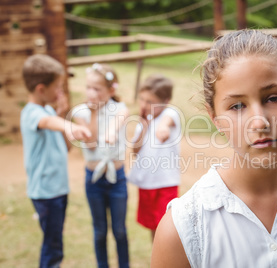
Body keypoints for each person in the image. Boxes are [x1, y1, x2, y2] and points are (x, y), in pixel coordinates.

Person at [151, 30, 277, 267]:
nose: (260, 121)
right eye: (237, 106)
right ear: (214, 117)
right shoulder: (182, 228)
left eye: (273, 98)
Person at [20, 54, 91, 268]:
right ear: (41, 89)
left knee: (55, 241)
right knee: (53, 248)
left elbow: (65, 147)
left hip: (57, 190)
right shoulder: (31, 113)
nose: (60, 91)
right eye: (57, 87)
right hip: (46, 192)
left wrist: (62, 115)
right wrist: (69, 126)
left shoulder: (50, 110)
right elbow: (47, 122)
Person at [72, 63, 130, 268]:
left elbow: (118, 121)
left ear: (111, 90)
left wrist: (112, 132)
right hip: (93, 180)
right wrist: (94, 113)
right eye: (88, 87)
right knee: (99, 231)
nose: (91, 92)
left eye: (96, 89)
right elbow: (90, 141)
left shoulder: (120, 108)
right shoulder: (80, 112)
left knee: (120, 230)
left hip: (117, 178)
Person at [128, 74, 181, 242]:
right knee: (153, 227)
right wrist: (144, 126)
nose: (144, 105)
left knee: (167, 227)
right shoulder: (145, 121)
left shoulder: (170, 113)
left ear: (165, 101)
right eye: (142, 99)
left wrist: (162, 128)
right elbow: (135, 150)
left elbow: (167, 121)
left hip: (165, 182)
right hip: (147, 182)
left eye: (150, 102)